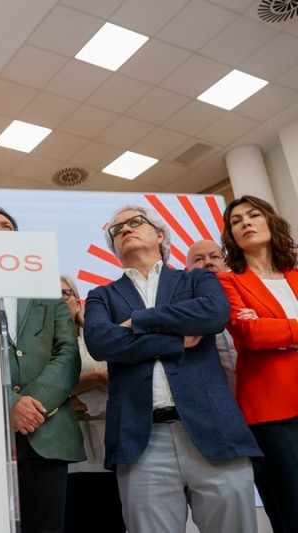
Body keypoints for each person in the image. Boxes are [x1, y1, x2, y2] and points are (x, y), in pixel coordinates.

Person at [83, 205, 261, 533]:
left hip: (214, 431)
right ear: (114, 247)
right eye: (116, 229)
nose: (125, 229)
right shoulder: (101, 296)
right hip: (141, 441)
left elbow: (212, 314)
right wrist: (177, 341)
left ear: (160, 234)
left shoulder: (197, 279)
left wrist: (138, 320)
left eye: (135, 222)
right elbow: (101, 342)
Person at [0, 207, 84, 533]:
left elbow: (67, 352)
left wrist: (30, 405)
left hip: (45, 431)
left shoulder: (46, 289)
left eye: (5, 226)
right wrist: (9, 405)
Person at [217, 195, 298, 533]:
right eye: (236, 221)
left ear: (270, 222)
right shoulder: (228, 282)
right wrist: (269, 329)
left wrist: (276, 330)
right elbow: (250, 334)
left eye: (253, 215)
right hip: (270, 409)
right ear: (231, 236)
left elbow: (264, 331)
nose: (245, 223)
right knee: (291, 506)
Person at [60, 275, 124, 533]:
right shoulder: (39, 345)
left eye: (65, 293)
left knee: (113, 523)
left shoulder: (99, 336)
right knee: (73, 521)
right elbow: (49, 390)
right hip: (69, 451)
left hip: (111, 443)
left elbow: (120, 380)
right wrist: (96, 378)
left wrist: (74, 393)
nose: (60, 300)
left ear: (77, 300)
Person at [185, 239, 238, 392]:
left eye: (215, 257)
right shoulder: (184, 313)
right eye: (199, 259)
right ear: (187, 271)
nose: (208, 263)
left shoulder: (248, 296)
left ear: (226, 264)